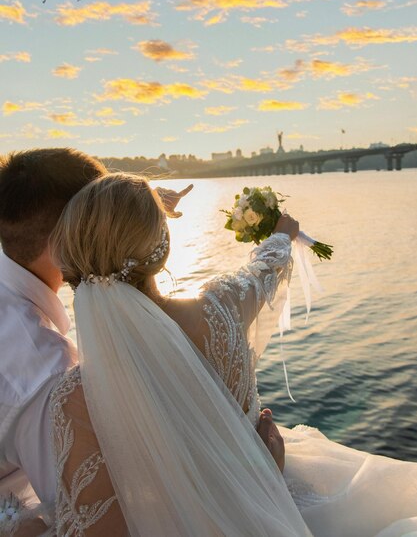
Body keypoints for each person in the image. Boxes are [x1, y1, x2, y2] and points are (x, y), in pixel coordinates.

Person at [48, 172, 417, 537]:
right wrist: (282, 232)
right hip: (271, 499)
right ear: (161, 249)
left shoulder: (73, 399)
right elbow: (263, 269)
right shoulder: (219, 309)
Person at [0, 149, 194, 535]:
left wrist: (146, 203)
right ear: (63, 240)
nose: (111, 231)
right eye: (102, 218)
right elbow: (90, 519)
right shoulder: (45, 374)